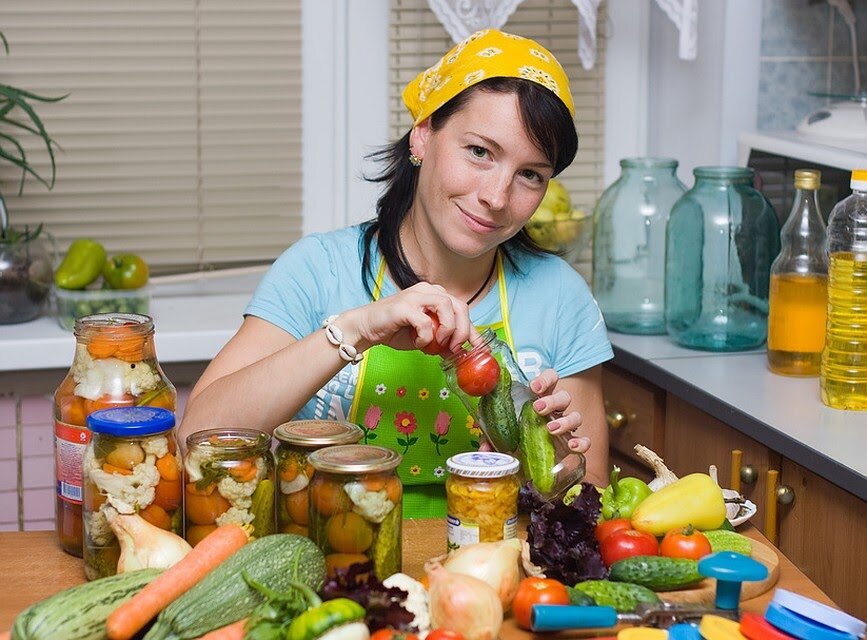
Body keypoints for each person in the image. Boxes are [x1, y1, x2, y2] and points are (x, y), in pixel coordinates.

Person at [179, 29, 613, 518]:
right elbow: (197, 436)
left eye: (530, 174)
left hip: (490, 557)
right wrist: (356, 329)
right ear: (423, 135)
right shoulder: (319, 269)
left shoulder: (560, 296)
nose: (496, 196)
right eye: (479, 152)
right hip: (336, 554)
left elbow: (589, 505)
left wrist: (546, 466)